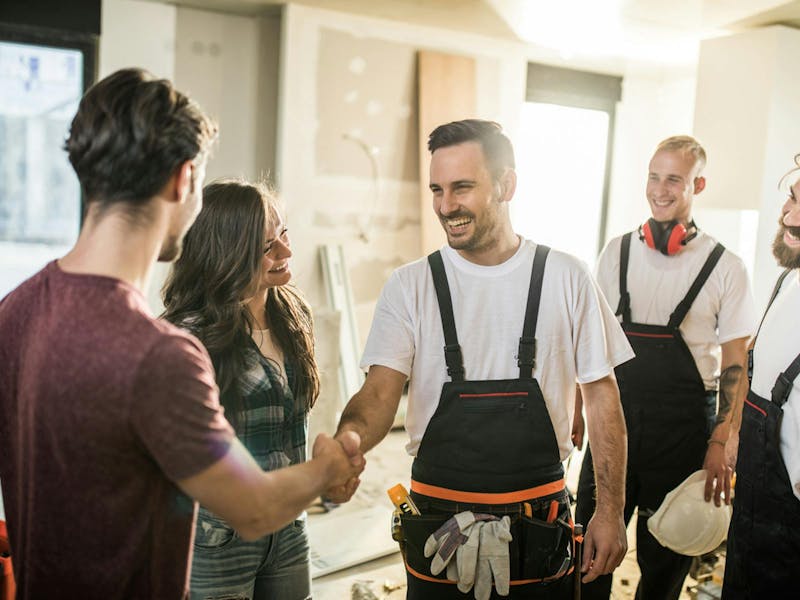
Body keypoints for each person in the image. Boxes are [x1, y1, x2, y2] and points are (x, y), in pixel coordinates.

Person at [0, 68, 363, 600]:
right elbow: (253, 507)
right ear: (183, 179)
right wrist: (327, 467)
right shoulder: (162, 354)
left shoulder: (14, 310)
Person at [330, 119, 634, 599]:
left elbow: (601, 397)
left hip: (540, 526)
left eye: (462, 187)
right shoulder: (410, 285)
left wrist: (610, 511)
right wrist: (347, 441)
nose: (445, 205)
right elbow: (379, 393)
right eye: (437, 190)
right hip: (437, 531)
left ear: (506, 185)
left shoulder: (567, 277)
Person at [574, 135, 756, 599]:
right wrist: (575, 407)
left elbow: (736, 361)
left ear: (698, 184)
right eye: (654, 177)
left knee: (664, 566)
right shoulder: (616, 252)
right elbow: (590, 340)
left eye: (674, 179)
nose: (660, 189)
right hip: (614, 425)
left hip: (683, 435)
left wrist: (722, 440)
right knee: (587, 557)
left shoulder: (725, 267)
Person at [162, 179, 320, 600]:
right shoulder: (187, 338)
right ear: (226, 253)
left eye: (284, 234)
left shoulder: (293, 316)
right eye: (267, 246)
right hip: (217, 538)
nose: (285, 252)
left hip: (288, 526)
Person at [722, 155, 800, 597]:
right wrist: (734, 432)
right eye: (792, 198)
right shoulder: (787, 282)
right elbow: (756, 367)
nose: (788, 215)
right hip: (752, 517)